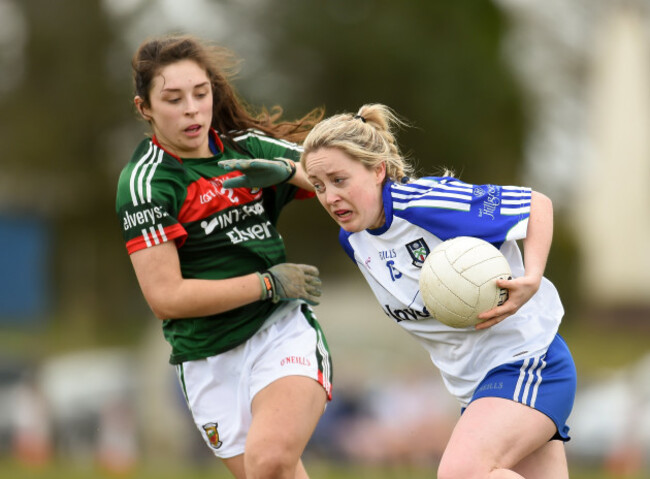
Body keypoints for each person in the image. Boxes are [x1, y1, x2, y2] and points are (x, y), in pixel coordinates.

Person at [299, 103, 577, 479]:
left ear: (379, 170)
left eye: (340, 181)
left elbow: (536, 205)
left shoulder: (427, 204)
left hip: (528, 361)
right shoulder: (355, 241)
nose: (330, 197)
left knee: (459, 473)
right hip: (477, 387)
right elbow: (321, 174)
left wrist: (532, 278)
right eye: (319, 187)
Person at [115, 34, 333, 479]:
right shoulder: (147, 184)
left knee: (269, 461)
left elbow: (337, 175)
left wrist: (290, 171)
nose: (192, 109)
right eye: (173, 99)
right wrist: (267, 283)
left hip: (278, 332)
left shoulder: (246, 148)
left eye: (201, 93)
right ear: (145, 109)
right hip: (206, 359)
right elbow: (166, 297)